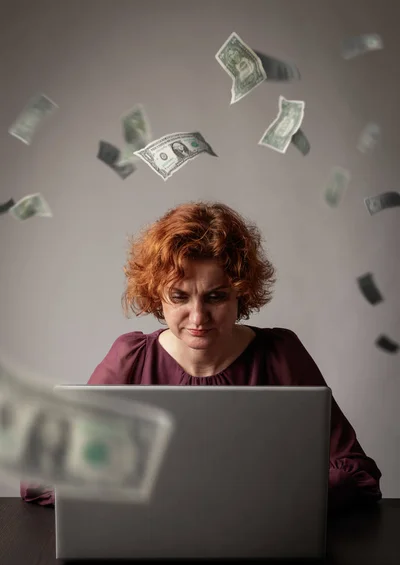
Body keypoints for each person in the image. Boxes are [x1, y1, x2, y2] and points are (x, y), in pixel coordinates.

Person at [21, 201, 382, 510]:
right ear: (156, 296)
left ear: (241, 293)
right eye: (179, 297)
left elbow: (358, 474)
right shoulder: (130, 358)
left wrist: (264, 496)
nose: (198, 318)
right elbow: (40, 480)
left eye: (216, 297)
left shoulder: (280, 355)